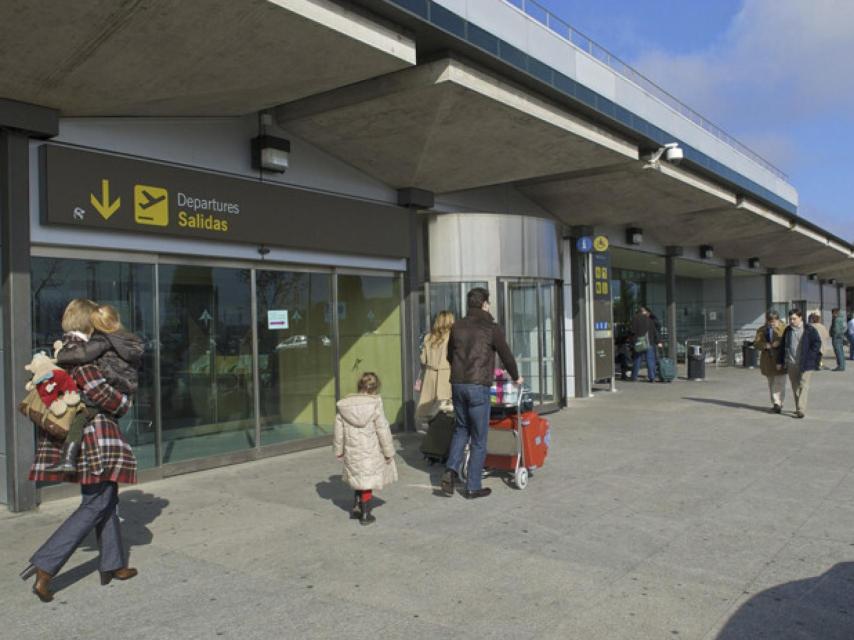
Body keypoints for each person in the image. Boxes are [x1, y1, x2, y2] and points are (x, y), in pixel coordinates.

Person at [21, 299, 138, 602]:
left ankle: (113, 564)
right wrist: (126, 402)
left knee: (105, 496)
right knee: (96, 503)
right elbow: (108, 399)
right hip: (94, 438)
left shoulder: (62, 351)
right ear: (91, 323)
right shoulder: (84, 359)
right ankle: (45, 566)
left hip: (79, 438)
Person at [440, 288, 521, 499]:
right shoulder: (491, 328)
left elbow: (450, 355)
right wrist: (516, 376)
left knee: (460, 429)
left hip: (457, 384)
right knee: (478, 438)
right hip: (478, 386)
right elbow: (506, 354)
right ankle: (473, 486)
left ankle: (450, 471)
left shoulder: (457, 326)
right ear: (485, 303)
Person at [47, 304, 144, 472]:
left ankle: (68, 458)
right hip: (124, 384)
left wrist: (60, 356)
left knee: (80, 417)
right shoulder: (127, 339)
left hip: (108, 388)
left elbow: (82, 355)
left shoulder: (102, 340)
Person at [333, 372, 397, 525]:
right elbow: (382, 429)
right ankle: (366, 514)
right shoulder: (375, 404)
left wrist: (338, 450)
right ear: (375, 388)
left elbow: (338, 430)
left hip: (352, 450)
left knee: (358, 478)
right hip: (370, 451)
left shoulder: (345, 405)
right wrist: (388, 452)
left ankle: (356, 506)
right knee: (367, 482)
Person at [778, 308, 822, 419]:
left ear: (800, 318)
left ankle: (801, 410)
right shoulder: (788, 330)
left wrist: (811, 356)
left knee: (804, 385)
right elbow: (783, 346)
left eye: (794, 318)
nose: (792, 321)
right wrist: (780, 361)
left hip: (806, 363)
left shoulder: (809, 329)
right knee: (795, 386)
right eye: (790, 319)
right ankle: (798, 407)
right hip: (791, 362)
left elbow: (817, 343)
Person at [415, 310, 454, 426]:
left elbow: (423, 359)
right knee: (446, 408)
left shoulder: (428, 337)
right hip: (446, 375)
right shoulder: (452, 337)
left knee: (429, 408)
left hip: (430, 375)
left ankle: (433, 433)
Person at [754, 310, 786, 413]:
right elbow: (756, 344)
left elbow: (789, 341)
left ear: (778, 319)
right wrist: (764, 345)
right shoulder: (761, 330)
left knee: (780, 383)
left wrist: (780, 343)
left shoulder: (784, 328)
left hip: (780, 359)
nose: (772, 323)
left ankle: (779, 403)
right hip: (768, 360)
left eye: (774, 321)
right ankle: (775, 403)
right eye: (770, 321)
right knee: (771, 383)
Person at [630, 306, 661, 383]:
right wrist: (658, 342)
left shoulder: (635, 318)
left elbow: (632, 331)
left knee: (637, 360)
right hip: (649, 343)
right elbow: (654, 332)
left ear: (639, 312)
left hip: (639, 342)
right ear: (645, 312)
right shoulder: (650, 320)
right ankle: (652, 377)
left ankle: (634, 377)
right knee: (650, 360)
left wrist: (632, 341)